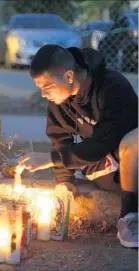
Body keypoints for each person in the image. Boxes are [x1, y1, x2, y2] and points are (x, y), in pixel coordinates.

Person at [18, 45, 138, 248]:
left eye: (46, 87)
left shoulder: (112, 86)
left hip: (131, 159)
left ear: (69, 75)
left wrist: (50, 159)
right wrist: (65, 180)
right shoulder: (59, 101)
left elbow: (103, 142)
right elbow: (59, 138)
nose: (43, 94)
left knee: (133, 141)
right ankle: (130, 215)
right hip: (103, 167)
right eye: (40, 88)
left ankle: (130, 215)